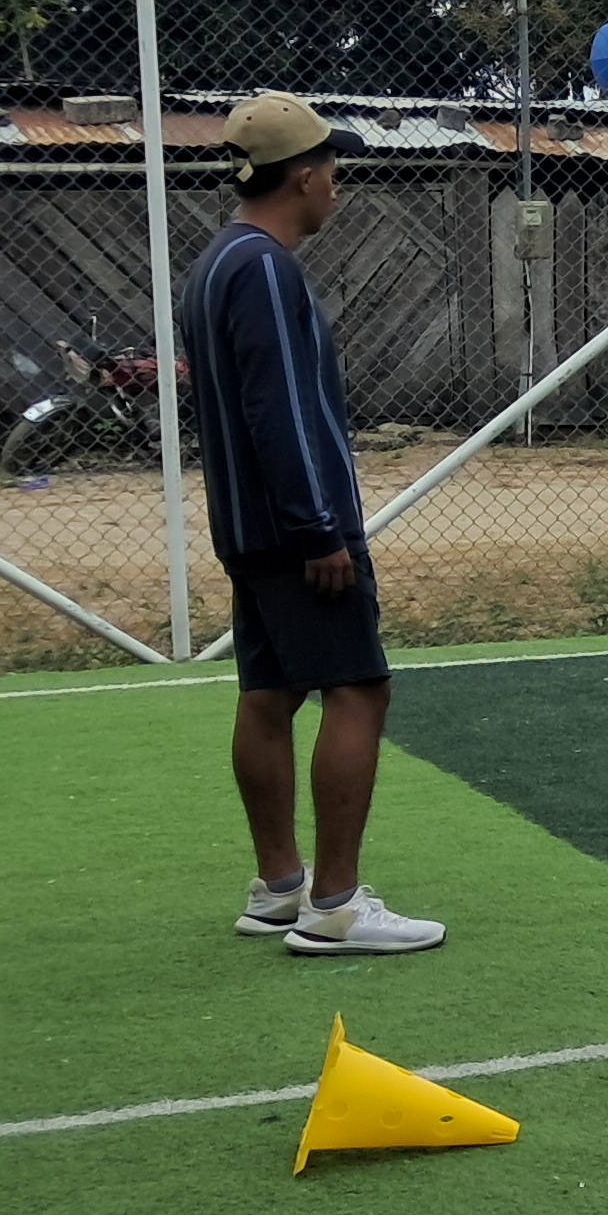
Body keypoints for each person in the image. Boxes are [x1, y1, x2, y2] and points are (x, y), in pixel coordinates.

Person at [180, 92, 444, 954]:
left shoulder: (215, 262)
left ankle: (278, 887)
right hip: (298, 532)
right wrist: (318, 529)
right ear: (301, 176)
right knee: (359, 689)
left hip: (246, 528)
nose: (337, 182)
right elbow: (280, 409)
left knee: (269, 694)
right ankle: (334, 907)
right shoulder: (265, 269)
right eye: (331, 166)